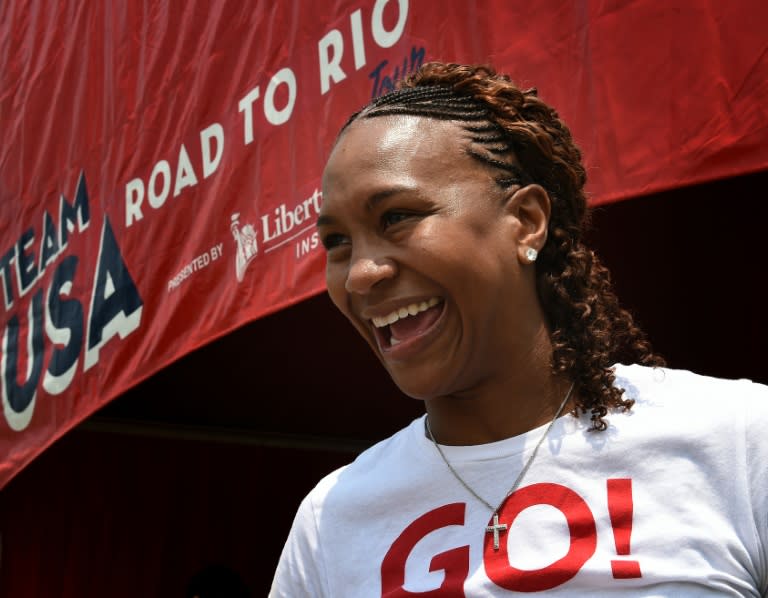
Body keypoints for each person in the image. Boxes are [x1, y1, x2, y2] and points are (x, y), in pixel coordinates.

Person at [270, 62, 768, 596]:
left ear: (526, 221)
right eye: (337, 243)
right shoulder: (331, 520)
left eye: (396, 217)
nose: (363, 273)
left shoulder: (738, 442)